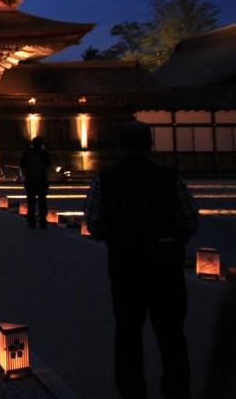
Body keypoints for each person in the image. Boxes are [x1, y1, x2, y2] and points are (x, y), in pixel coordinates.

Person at [84, 121, 198, 399]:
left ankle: (132, 390)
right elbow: (189, 221)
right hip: (165, 265)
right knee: (171, 333)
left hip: (125, 264)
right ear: (150, 145)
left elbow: (95, 223)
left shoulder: (106, 180)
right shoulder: (170, 179)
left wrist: (115, 233)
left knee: (128, 331)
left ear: (120, 146)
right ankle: (176, 390)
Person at [20, 137, 51, 228]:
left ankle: (32, 221)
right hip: (41, 181)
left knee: (31, 203)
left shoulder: (27, 154)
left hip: (31, 181)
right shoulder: (44, 154)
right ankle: (42, 221)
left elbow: (22, 165)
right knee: (42, 203)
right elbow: (48, 164)